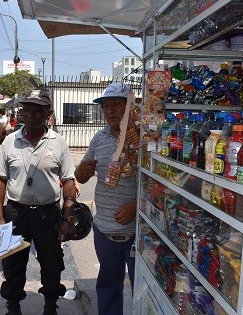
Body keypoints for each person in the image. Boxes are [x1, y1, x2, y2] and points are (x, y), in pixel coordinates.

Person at [0, 90, 77, 315]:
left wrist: (68, 216)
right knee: (13, 263)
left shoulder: (58, 143)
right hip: (16, 211)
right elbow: (0, 179)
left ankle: (51, 304)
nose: (30, 114)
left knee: (51, 263)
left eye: (37, 110)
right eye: (26, 109)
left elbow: (69, 180)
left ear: (48, 113)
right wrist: (0, 218)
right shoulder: (10, 141)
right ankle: (13, 304)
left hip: (47, 213)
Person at [74, 82, 137, 315]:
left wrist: (137, 206)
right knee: (108, 287)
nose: (110, 110)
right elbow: (81, 173)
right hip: (104, 231)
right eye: (106, 106)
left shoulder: (143, 140)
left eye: (116, 105)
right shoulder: (99, 138)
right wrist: (82, 172)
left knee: (143, 289)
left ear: (130, 107)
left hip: (137, 233)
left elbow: (158, 187)